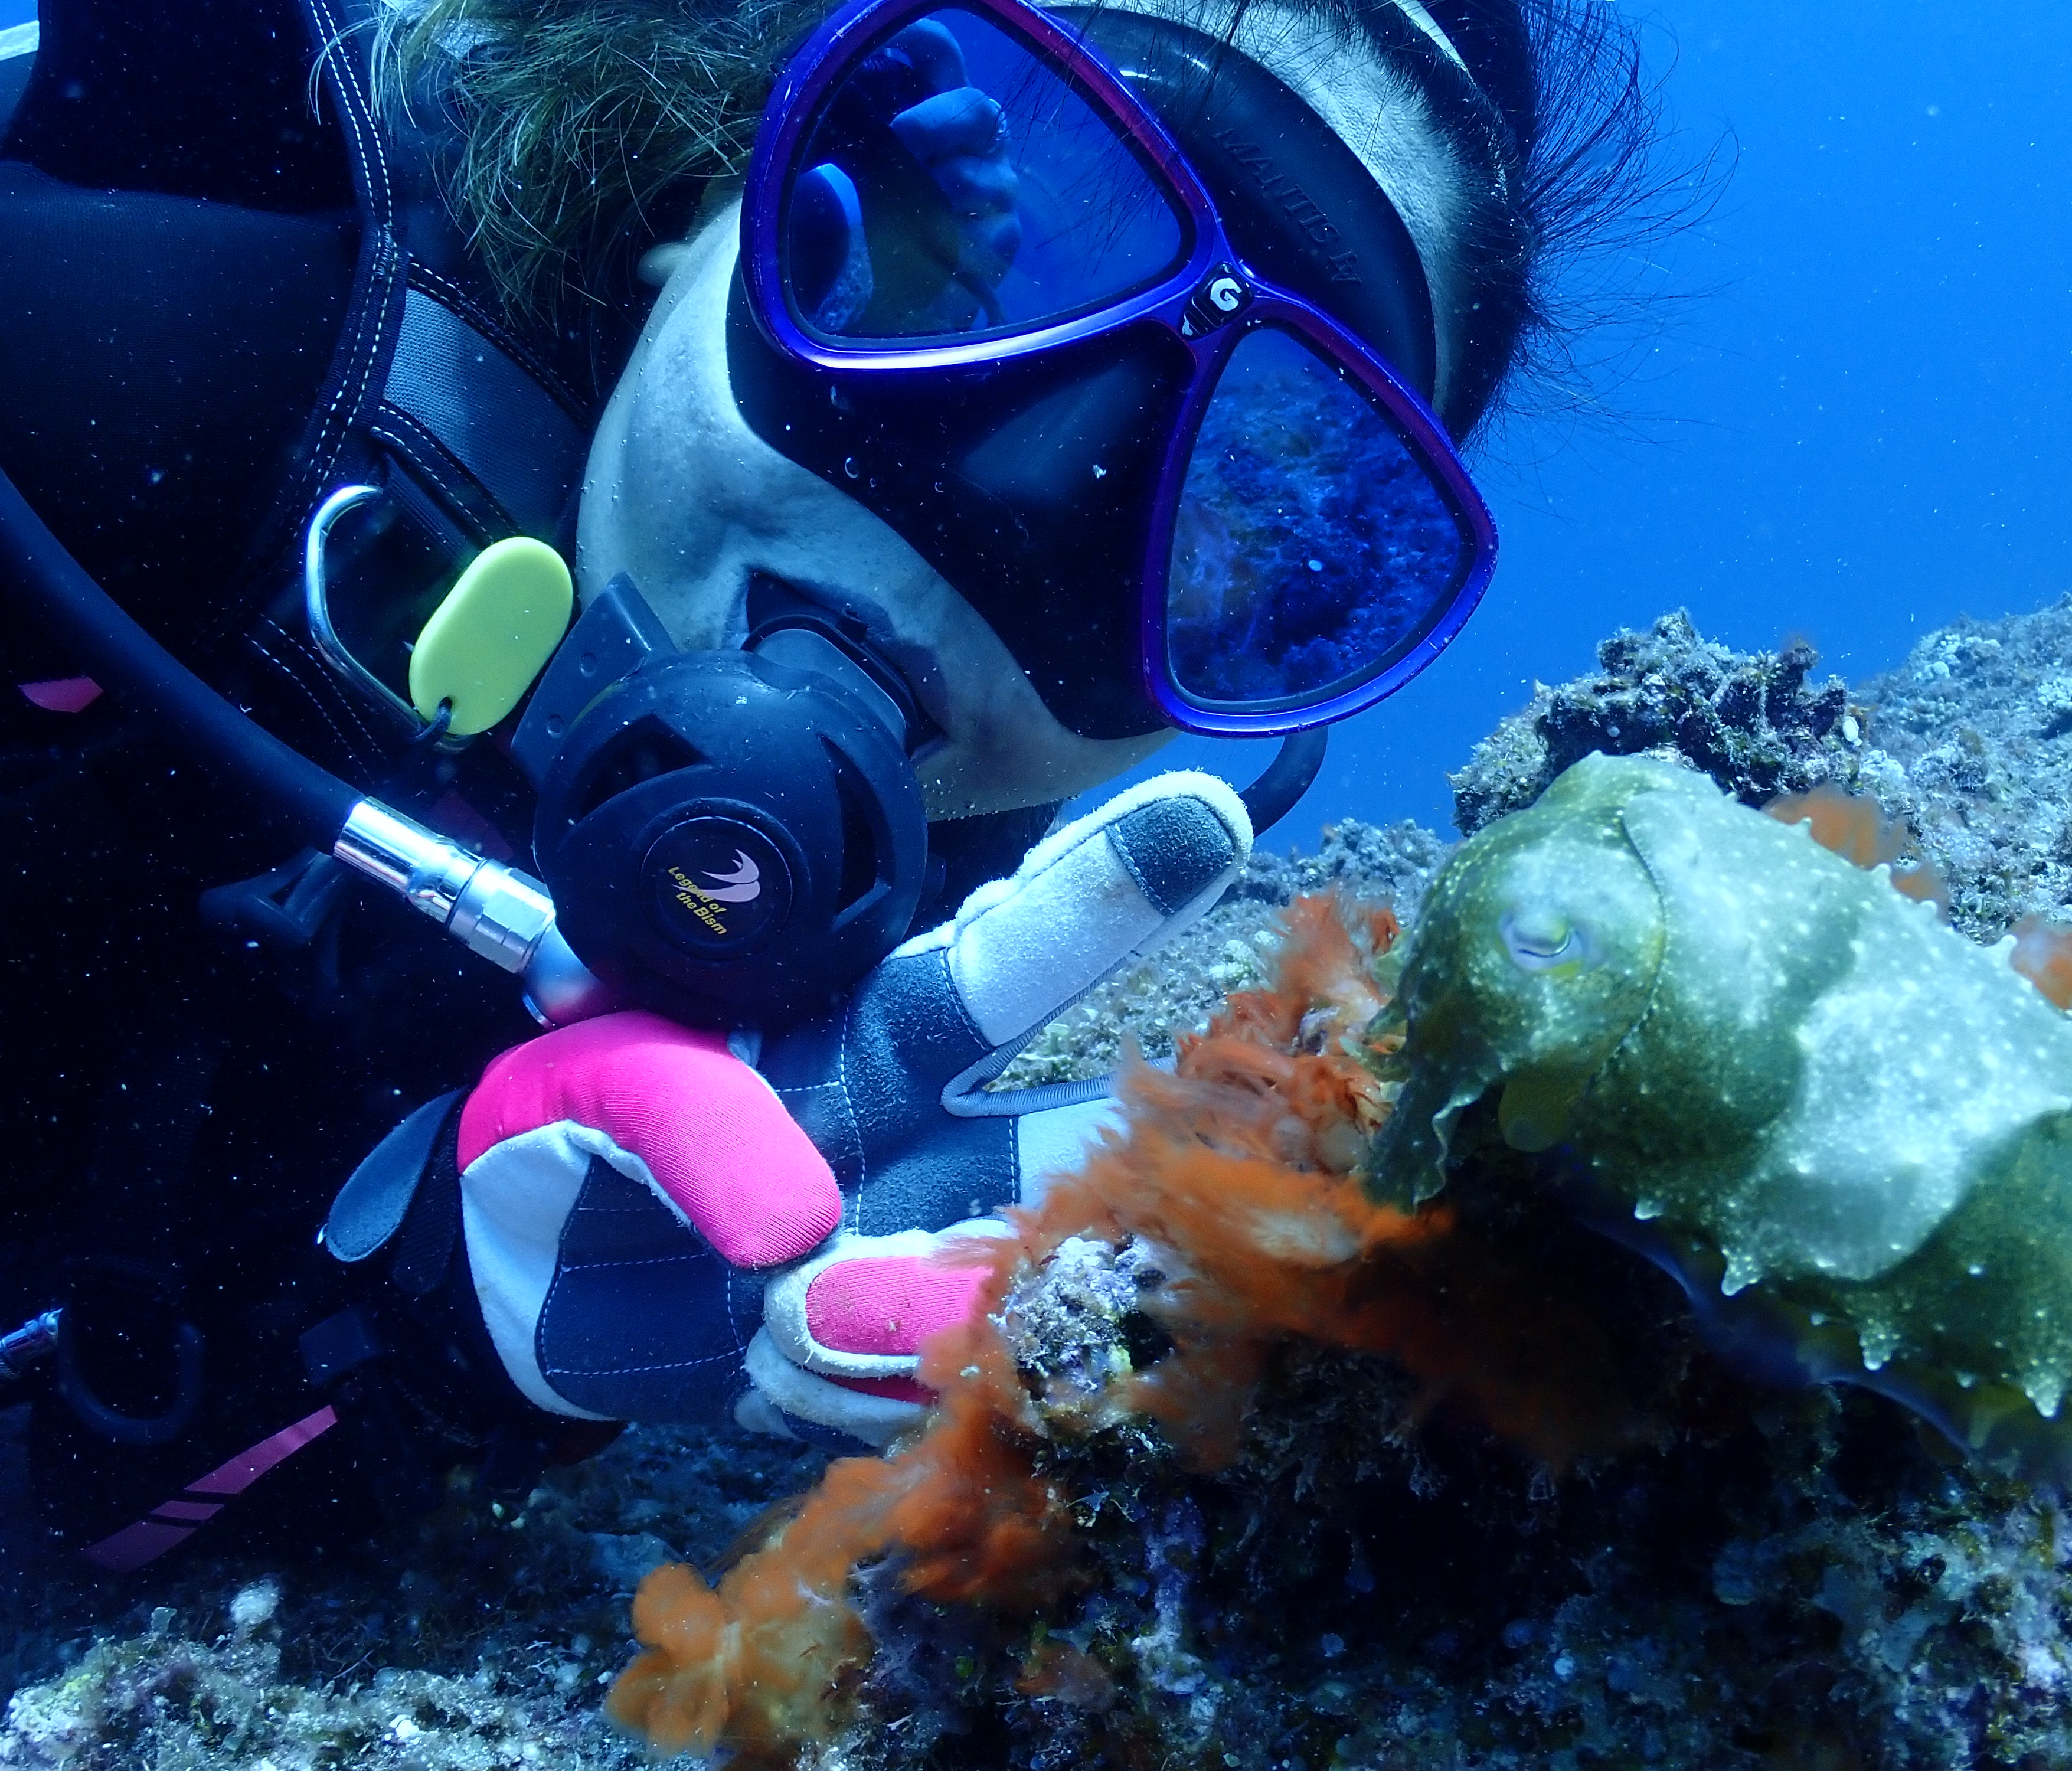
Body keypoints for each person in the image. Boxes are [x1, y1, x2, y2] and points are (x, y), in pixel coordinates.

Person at [0, 0, 1674, 1563]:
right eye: (957, 288)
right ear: (714, 183)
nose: (1017, 506)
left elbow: (79, 1508)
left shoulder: (930, 977)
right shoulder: (127, 389)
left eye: (1223, 531)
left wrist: (421, 1333)